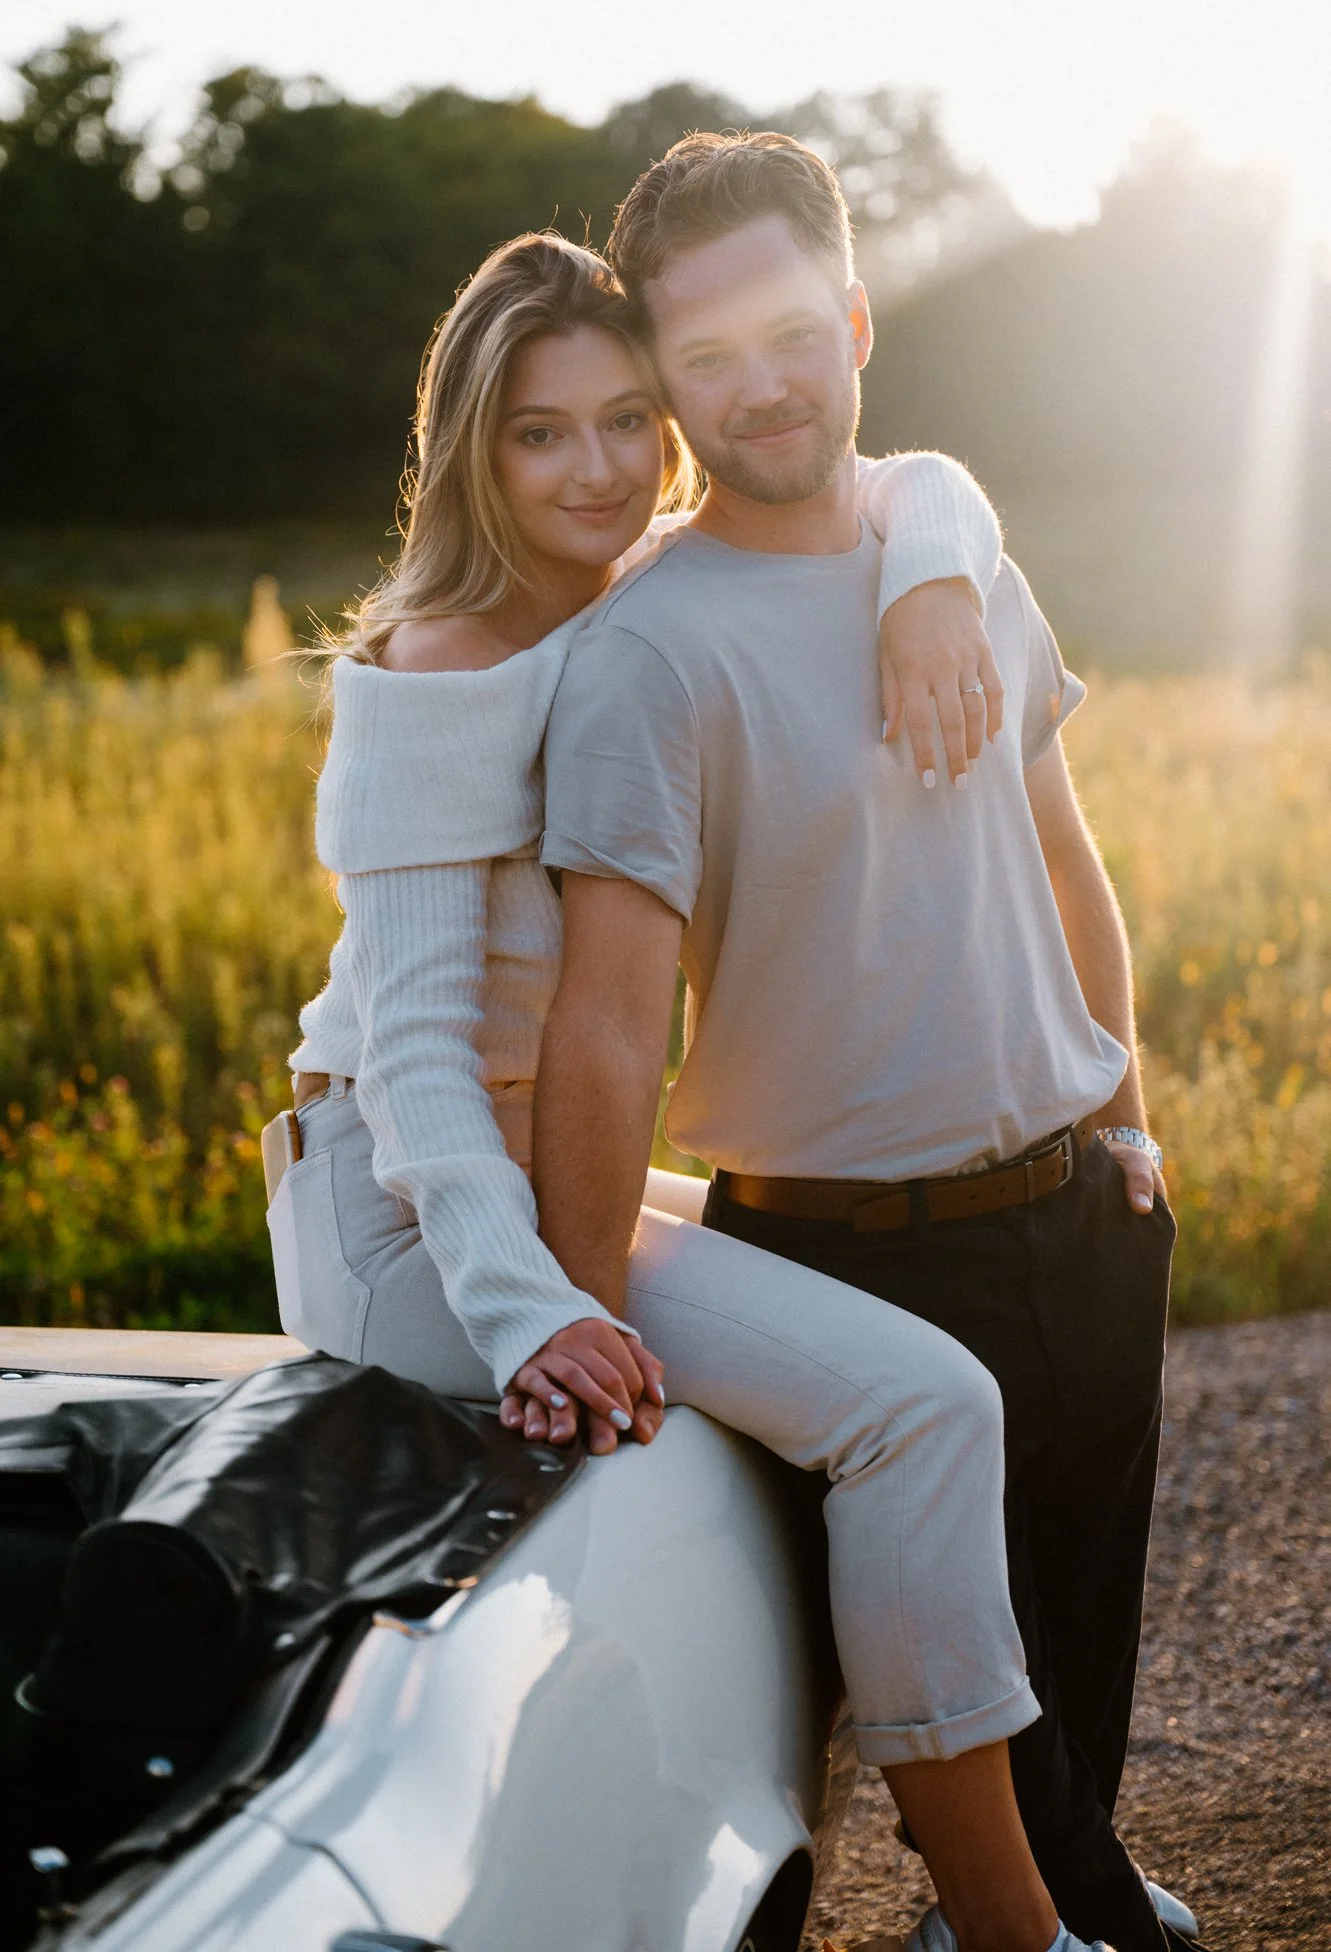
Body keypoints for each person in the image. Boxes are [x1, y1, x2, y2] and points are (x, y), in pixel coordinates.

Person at [271, 230, 1112, 1952]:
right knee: (921, 1403)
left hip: (513, 1158)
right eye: (537, 432)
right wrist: (528, 1315)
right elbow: (417, 1050)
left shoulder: (626, 586)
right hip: (399, 1197)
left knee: (846, 1362)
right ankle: (1010, 1927)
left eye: (622, 419)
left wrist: (933, 569)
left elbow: (909, 474)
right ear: (471, 451)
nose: (593, 468)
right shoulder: (437, 662)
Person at [533, 136, 1202, 1952]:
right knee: (924, 1651)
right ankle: (1055, 1918)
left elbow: (1067, 868)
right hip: (844, 1250)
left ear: (850, 323)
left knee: (1081, 1610)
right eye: (701, 362)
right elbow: (605, 1018)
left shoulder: (949, 552)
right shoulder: (647, 653)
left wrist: (1127, 1136)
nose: (753, 388)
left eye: (781, 336)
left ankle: (1067, 1876)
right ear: (666, 389)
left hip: (1078, 1204)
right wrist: (571, 1308)